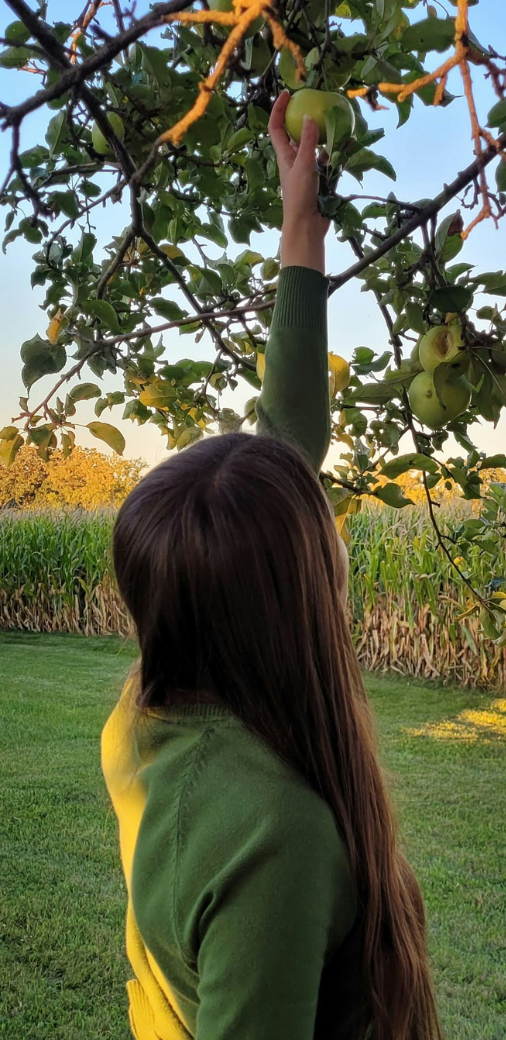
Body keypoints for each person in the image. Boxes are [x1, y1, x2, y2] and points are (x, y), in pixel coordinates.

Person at [100, 91, 443, 1040]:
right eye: (323, 538)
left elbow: (287, 438)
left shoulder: (146, 717)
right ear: (292, 598)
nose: (337, 542)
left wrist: (302, 228)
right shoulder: (274, 835)